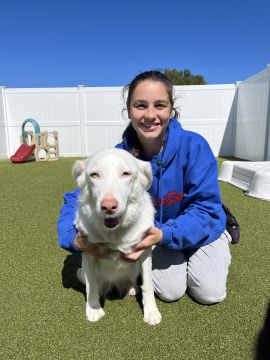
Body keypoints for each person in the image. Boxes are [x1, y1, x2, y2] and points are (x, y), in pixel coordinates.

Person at [58, 70, 232, 305]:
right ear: (129, 110)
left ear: (171, 109)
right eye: (141, 105)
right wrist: (75, 240)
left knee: (209, 293)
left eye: (160, 105)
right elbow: (77, 197)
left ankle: (224, 236)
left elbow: (205, 209)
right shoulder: (118, 157)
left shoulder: (195, 147)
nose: (150, 115)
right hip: (159, 236)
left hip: (203, 229)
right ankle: (179, 252)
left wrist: (165, 234)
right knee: (170, 291)